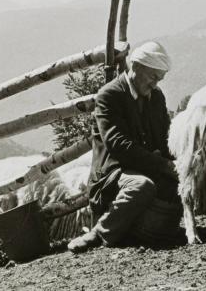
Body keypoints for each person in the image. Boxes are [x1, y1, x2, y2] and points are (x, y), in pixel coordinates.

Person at [67, 41, 178, 253]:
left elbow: (165, 138)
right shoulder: (110, 95)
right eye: (153, 77)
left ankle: (143, 231)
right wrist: (163, 165)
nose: (155, 84)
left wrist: (177, 163)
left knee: (180, 186)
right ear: (136, 67)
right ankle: (99, 233)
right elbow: (119, 145)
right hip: (113, 174)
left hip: (146, 167)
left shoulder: (156, 97)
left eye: (159, 79)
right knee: (141, 186)